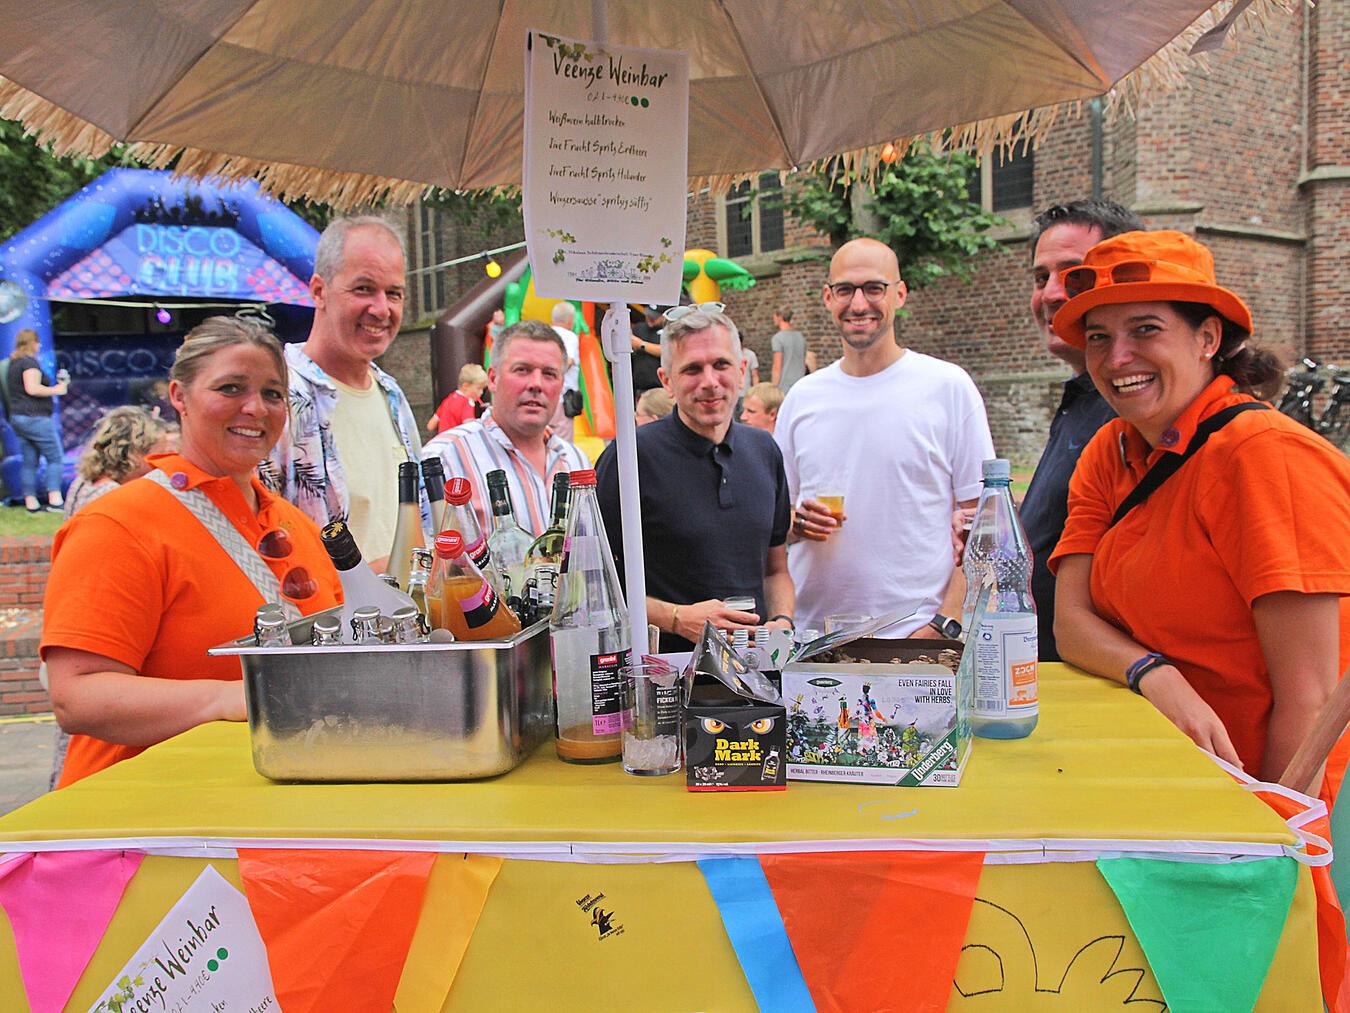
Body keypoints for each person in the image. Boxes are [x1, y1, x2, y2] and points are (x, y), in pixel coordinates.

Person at [1048, 230, 1350, 795]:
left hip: (1253, 793)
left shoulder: (1266, 456)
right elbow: (1071, 624)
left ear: (1208, 337)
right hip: (1161, 779)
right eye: (1098, 337)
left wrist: (1273, 828)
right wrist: (1154, 673)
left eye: (1145, 329)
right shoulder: (1110, 449)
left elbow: (1310, 701)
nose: (1117, 358)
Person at [42, 316, 342, 788]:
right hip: (140, 814)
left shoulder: (296, 524)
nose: (255, 408)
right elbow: (77, 697)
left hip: (265, 804)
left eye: (272, 393)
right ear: (178, 396)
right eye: (230, 388)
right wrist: (230, 699)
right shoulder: (118, 524)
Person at [777, 238, 994, 638]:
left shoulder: (948, 387)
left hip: (916, 636)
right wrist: (796, 523)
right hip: (813, 637)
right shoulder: (802, 398)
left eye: (874, 288)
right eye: (845, 289)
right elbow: (774, 522)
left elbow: (985, 523)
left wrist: (944, 625)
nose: (859, 304)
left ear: (900, 294)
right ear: (828, 297)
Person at [596, 304, 793, 652]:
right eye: (692, 369)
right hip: (666, 674)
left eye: (721, 365)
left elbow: (775, 570)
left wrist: (782, 621)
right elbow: (592, 585)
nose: (710, 382)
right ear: (666, 381)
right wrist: (677, 618)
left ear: (742, 370)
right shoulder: (630, 456)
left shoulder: (764, 449)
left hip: (755, 670)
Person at [1015, 200, 1145, 660]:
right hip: (1054, 669)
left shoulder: (1134, 408)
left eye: (1072, 275)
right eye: (1040, 278)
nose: (1051, 293)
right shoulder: (1083, 398)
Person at [260, 215, 426, 564]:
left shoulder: (391, 394)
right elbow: (259, 542)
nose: (381, 309)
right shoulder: (278, 396)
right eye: (364, 289)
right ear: (319, 291)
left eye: (394, 293)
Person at [422, 320, 588, 536]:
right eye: (522, 370)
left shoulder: (576, 461)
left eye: (549, 373)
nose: (536, 384)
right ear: (493, 379)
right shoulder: (444, 459)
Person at [64, 407, 178, 518]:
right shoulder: (113, 496)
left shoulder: (83, 482)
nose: (162, 464)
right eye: (160, 453)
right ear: (135, 454)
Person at [6, 328, 69, 513]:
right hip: (35, 417)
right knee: (55, 457)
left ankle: (31, 502)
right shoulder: (29, 363)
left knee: (30, 461)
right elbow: (32, 388)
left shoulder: (14, 363)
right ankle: (55, 499)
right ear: (32, 343)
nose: (39, 345)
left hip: (18, 417)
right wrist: (57, 390)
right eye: (37, 342)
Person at [550, 301, 582, 443]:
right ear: (570, 319)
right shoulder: (569, 336)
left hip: (545, 396)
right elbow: (568, 361)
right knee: (563, 442)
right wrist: (553, 376)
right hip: (563, 397)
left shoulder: (545, 334)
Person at [426, 363, 488, 435]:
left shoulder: (448, 400)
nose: (481, 392)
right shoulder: (467, 403)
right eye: (479, 388)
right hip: (457, 440)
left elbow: (430, 426)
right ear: (465, 386)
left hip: (443, 439)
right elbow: (470, 427)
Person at [629, 305, 665, 399]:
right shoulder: (639, 328)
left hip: (660, 388)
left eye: (654, 317)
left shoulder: (669, 330)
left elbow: (667, 351)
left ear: (663, 316)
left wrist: (641, 345)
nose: (649, 318)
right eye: (648, 315)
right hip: (639, 388)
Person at [770, 308, 807, 392]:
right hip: (800, 384)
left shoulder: (778, 338)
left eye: (774, 317)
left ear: (780, 317)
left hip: (784, 387)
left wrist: (773, 389)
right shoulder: (800, 337)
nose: (773, 319)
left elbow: (777, 367)